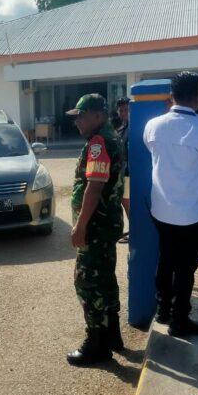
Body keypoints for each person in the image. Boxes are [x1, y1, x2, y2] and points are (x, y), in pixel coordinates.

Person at [143, 72, 198, 337]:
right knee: (185, 268)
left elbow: (153, 154)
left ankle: (163, 310)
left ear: (173, 95)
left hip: (161, 210)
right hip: (193, 213)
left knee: (166, 259)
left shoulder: (153, 126)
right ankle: (180, 319)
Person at [67, 94, 125, 365]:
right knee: (105, 279)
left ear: (98, 115)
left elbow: (95, 186)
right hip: (106, 224)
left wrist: (80, 226)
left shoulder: (99, 142)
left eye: (82, 116)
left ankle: (97, 344)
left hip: (95, 226)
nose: (77, 121)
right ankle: (112, 335)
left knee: (87, 283)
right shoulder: (111, 137)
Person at [116, 96, 130, 244]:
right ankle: (133, 229)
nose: (123, 113)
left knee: (126, 202)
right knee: (124, 201)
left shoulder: (133, 127)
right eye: (121, 110)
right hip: (122, 171)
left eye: (126, 110)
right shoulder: (122, 127)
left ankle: (135, 232)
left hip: (129, 172)